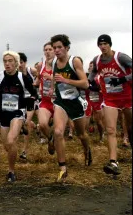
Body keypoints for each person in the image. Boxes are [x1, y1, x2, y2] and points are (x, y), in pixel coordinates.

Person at [0, 51, 38, 182]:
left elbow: (34, 94)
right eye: (5, 61)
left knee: (11, 140)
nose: (7, 64)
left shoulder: (22, 77)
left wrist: (30, 101)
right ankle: (13, 154)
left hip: (17, 112)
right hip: (3, 114)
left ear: (16, 63)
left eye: (10, 61)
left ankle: (11, 171)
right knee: (7, 146)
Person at [49, 34, 92, 182]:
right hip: (61, 102)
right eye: (54, 48)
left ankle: (87, 150)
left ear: (67, 48)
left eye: (59, 47)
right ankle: (62, 168)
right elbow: (55, 77)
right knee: (58, 131)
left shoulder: (75, 61)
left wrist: (66, 80)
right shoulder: (54, 61)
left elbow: (85, 84)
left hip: (75, 102)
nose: (56, 50)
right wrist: (53, 88)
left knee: (82, 134)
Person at [88, 34, 132, 176]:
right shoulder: (97, 60)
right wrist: (91, 83)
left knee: (130, 128)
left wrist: (122, 79)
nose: (103, 46)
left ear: (110, 45)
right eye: (100, 44)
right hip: (110, 99)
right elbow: (92, 73)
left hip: (127, 96)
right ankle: (113, 162)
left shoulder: (121, 57)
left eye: (105, 44)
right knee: (111, 129)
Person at [36, 42, 56, 154]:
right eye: (46, 50)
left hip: (58, 102)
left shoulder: (60, 64)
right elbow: (39, 78)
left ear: (54, 51)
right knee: (43, 124)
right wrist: (39, 85)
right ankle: (50, 138)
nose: (47, 52)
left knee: (59, 130)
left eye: (50, 49)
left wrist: (52, 78)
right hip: (45, 101)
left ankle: (61, 162)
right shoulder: (40, 65)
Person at [18, 52, 38, 160]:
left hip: (31, 99)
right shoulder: (15, 73)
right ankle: (37, 127)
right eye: (17, 63)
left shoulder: (31, 71)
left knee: (26, 123)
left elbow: (42, 75)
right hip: (21, 100)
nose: (19, 65)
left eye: (21, 62)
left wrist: (36, 83)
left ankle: (24, 151)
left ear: (25, 62)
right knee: (26, 122)